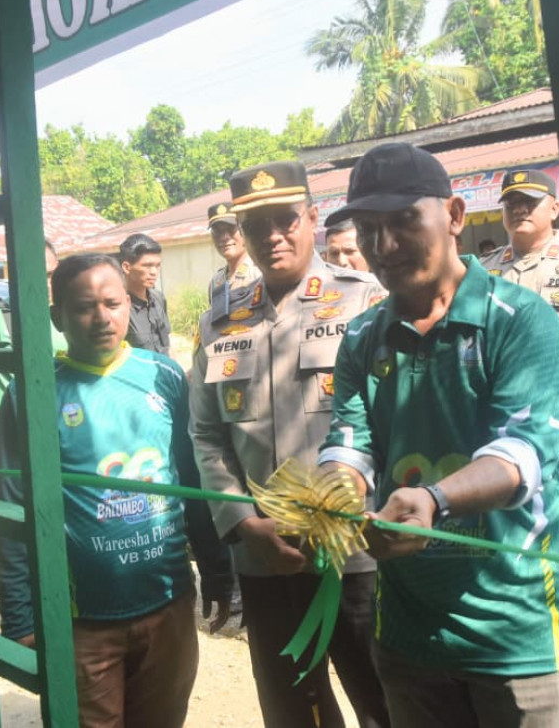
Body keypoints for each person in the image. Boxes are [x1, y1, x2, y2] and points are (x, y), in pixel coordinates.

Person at [318, 142, 559, 727]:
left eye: (402, 221)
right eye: (368, 229)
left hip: (520, 631)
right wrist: (330, 496)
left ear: (455, 215)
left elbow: (520, 456)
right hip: (411, 633)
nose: (383, 246)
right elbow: (350, 444)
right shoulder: (362, 337)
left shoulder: (521, 320)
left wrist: (434, 500)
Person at [189, 160, 390, 728]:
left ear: (312, 217)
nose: (273, 236)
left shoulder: (365, 303)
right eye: (257, 226)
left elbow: (393, 419)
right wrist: (242, 521)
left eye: (286, 220)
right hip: (264, 554)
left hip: (355, 554)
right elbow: (206, 433)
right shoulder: (219, 324)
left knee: (382, 699)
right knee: (291, 707)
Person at [0, 253, 232, 727]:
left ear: (128, 305)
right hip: (82, 620)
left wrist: (217, 570)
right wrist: (19, 616)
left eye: (112, 303)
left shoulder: (164, 376)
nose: (102, 317)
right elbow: (12, 505)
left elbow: (193, 481)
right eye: (84, 307)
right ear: (57, 316)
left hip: (168, 603)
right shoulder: (31, 394)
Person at [0, 240, 66, 464]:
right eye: (34, 275)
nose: (44, 283)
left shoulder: (72, 312)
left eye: (50, 275)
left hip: (65, 429)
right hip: (12, 434)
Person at [481, 168, 559, 342]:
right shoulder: (484, 268)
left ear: (554, 209)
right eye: (511, 203)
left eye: (530, 201)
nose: (519, 210)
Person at [119, 233, 170, 355]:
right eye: (147, 266)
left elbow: (168, 344)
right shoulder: (119, 308)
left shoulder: (159, 298)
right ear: (127, 267)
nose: (154, 272)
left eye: (157, 266)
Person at [206, 201, 260, 314]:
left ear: (244, 230)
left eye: (231, 229)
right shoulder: (216, 281)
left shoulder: (259, 273)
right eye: (217, 231)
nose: (224, 237)